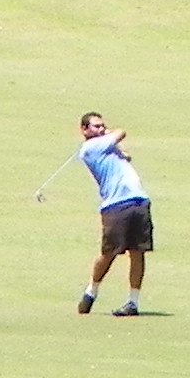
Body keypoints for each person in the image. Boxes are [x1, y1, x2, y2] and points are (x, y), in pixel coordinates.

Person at [74, 111, 152, 315]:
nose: (100, 129)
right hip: (115, 205)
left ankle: (133, 303)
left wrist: (111, 142)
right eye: (96, 126)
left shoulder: (107, 146)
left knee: (138, 252)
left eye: (102, 126)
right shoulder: (89, 148)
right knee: (109, 253)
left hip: (138, 199)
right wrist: (109, 134)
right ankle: (91, 291)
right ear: (84, 130)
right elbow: (121, 132)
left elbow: (127, 156)